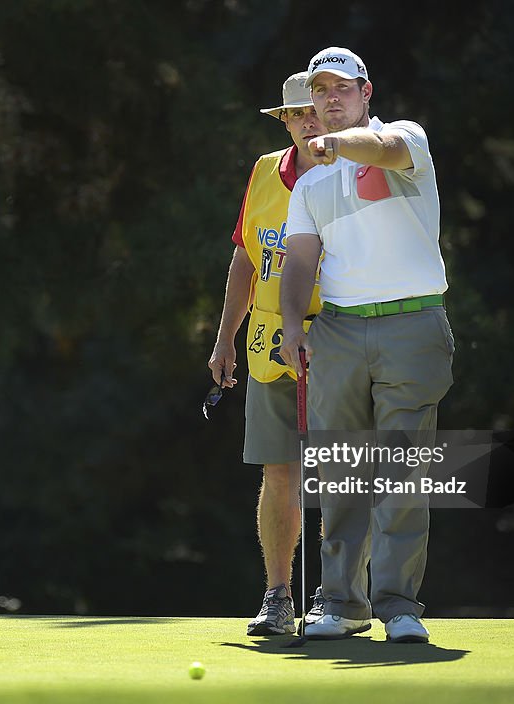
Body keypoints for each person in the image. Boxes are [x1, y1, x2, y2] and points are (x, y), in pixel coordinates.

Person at [280, 47, 455, 643]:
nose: (331, 99)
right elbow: (301, 259)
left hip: (413, 326)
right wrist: (293, 324)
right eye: (321, 90)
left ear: (366, 92)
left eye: (342, 88)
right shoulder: (308, 183)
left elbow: (381, 152)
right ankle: (340, 604)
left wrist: (341, 145)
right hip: (338, 332)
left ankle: (400, 605)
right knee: (342, 474)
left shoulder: (405, 137)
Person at [208, 72, 326, 636]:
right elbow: (245, 259)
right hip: (266, 344)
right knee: (278, 472)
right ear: (284, 120)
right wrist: (224, 337)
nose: (308, 120)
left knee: (343, 474)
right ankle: (278, 596)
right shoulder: (263, 171)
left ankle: (340, 598)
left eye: (315, 110)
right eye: (296, 113)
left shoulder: (353, 170)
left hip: (336, 337)